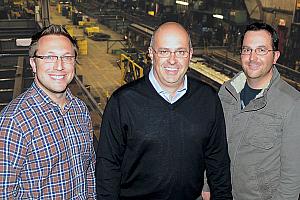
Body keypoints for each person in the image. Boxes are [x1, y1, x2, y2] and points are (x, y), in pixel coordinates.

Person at [96, 22, 232, 200]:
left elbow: (218, 163)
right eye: (164, 51)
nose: (173, 60)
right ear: (151, 53)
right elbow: (107, 165)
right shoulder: (123, 102)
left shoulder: (208, 99)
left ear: (190, 54)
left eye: (180, 52)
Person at [202, 22, 300, 200]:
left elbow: (291, 179)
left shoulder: (292, 104)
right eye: (247, 50)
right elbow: (212, 144)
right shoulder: (226, 92)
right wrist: (207, 183)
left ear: (275, 56)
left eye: (261, 50)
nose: (252, 57)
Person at [0, 24, 96, 199]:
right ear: (33, 64)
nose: (59, 66)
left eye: (67, 57)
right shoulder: (14, 121)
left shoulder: (80, 111)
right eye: (49, 57)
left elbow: (88, 171)